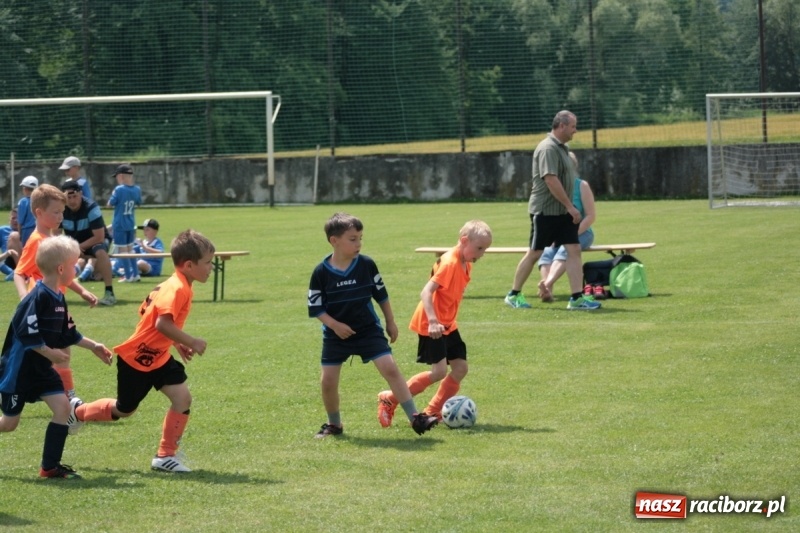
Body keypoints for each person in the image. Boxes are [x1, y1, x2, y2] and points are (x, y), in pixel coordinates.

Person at [70, 230, 215, 473]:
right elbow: (161, 323)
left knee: (182, 398)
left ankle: (165, 456)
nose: (211, 267)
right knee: (124, 409)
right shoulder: (176, 288)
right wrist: (191, 340)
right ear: (189, 265)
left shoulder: (176, 283)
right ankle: (77, 412)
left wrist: (177, 343)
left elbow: (149, 316)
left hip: (157, 357)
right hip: (137, 359)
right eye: (208, 262)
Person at [307, 213, 438, 438]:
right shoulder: (321, 272)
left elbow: (381, 295)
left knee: (390, 368)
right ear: (334, 241)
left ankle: (416, 418)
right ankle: (334, 425)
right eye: (352, 239)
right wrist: (335, 325)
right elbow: (315, 307)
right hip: (335, 335)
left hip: (368, 330)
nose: (358, 243)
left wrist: (390, 321)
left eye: (360, 238)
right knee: (328, 381)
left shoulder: (366, 265)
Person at [0, 235, 113, 480]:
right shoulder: (36, 297)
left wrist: (94, 346)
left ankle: (50, 467)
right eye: (74, 265)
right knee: (9, 424)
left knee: (62, 408)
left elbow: (67, 333)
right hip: (18, 371)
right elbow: (24, 330)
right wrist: (48, 351)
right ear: (61, 268)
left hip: (41, 370)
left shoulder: (58, 297)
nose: (76, 269)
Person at [377, 220, 492, 426]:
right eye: (480, 248)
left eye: (485, 249)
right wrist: (432, 321)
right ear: (464, 241)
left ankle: (433, 410)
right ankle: (390, 398)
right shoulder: (449, 263)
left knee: (460, 368)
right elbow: (426, 292)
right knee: (438, 372)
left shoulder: (465, 262)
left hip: (448, 324)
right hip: (433, 325)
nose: (482, 253)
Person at [504, 110, 601, 311]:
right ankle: (513, 294)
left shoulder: (562, 148)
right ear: (562, 125)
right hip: (546, 212)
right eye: (573, 126)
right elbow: (550, 179)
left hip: (562, 212)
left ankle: (576, 298)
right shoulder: (548, 148)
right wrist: (570, 206)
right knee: (535, 253)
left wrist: (567, 209)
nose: (576, 130)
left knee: (573, 249)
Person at [13, 184, 99, 399]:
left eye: (62, 212)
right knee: (50, 352)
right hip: (44, 307)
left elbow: (63, 275)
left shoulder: (52, 240)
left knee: (61, 350)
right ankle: (65, 396)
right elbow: (19, 273)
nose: (61, 216)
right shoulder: (36, 242)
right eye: (56, 212)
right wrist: (25, 298)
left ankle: (66, 396)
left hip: (56, 304)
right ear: (39, 213)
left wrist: (81, 291)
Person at [537, 151, 598, 302]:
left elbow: (590, 216)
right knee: (546, 252)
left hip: (582, 233)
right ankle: (548, 292)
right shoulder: (552, 188)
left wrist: (572, 233)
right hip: (558, 233)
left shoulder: (581, 186)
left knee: (566, 250)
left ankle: (547, 283)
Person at [60, 180, 117, 306]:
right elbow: (56, 235)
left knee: (100, 251)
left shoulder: (91, 207)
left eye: (75, 196)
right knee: (54, 253)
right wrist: (69, 247)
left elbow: (99, 237)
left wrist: (77, 247)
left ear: (81, 194)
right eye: (68, 197)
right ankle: (54, 294)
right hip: (74, 244)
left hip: (96, 241)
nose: (72, 201)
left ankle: (109, 293)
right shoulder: (60, 208)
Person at [108, 164, 142, 282]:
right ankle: (136, 274)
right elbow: (139, 202)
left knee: (123, 251)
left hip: (120, 225)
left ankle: (128, 276)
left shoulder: (119, 189)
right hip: (131, 223)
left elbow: (110, 203)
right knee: (130, 250)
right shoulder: (137, 189)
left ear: (121, 176)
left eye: (117, 176)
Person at [0, 208, 21, 280]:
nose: (15, 220)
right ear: (9, 220)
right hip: (8, 260)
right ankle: (13, 273)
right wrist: (7, 253)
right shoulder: (2, 230)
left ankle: (19, 272)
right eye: (13, 218)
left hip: (24, 258)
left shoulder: (27, 230)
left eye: (18, 218)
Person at [17, 175, 38, 247]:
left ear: (25, 189)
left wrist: (19, 234)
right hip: (39, 229)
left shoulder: (23, 202)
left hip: (26, 231)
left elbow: (20, 221)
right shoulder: (40, 200)